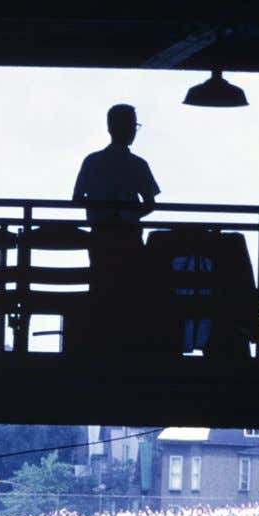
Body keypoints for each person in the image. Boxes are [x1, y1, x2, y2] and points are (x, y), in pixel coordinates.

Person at [70, 103, 161, 354]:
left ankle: (100, 345)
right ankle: (125, 346)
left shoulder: (92, 161)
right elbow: (151, 204)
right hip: (129, 235)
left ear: (109, 128)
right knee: (130, 291)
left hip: (100, 234)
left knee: (101, 286)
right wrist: (128, 214)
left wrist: (101, 209)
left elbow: (77, 198)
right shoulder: (138, 164)